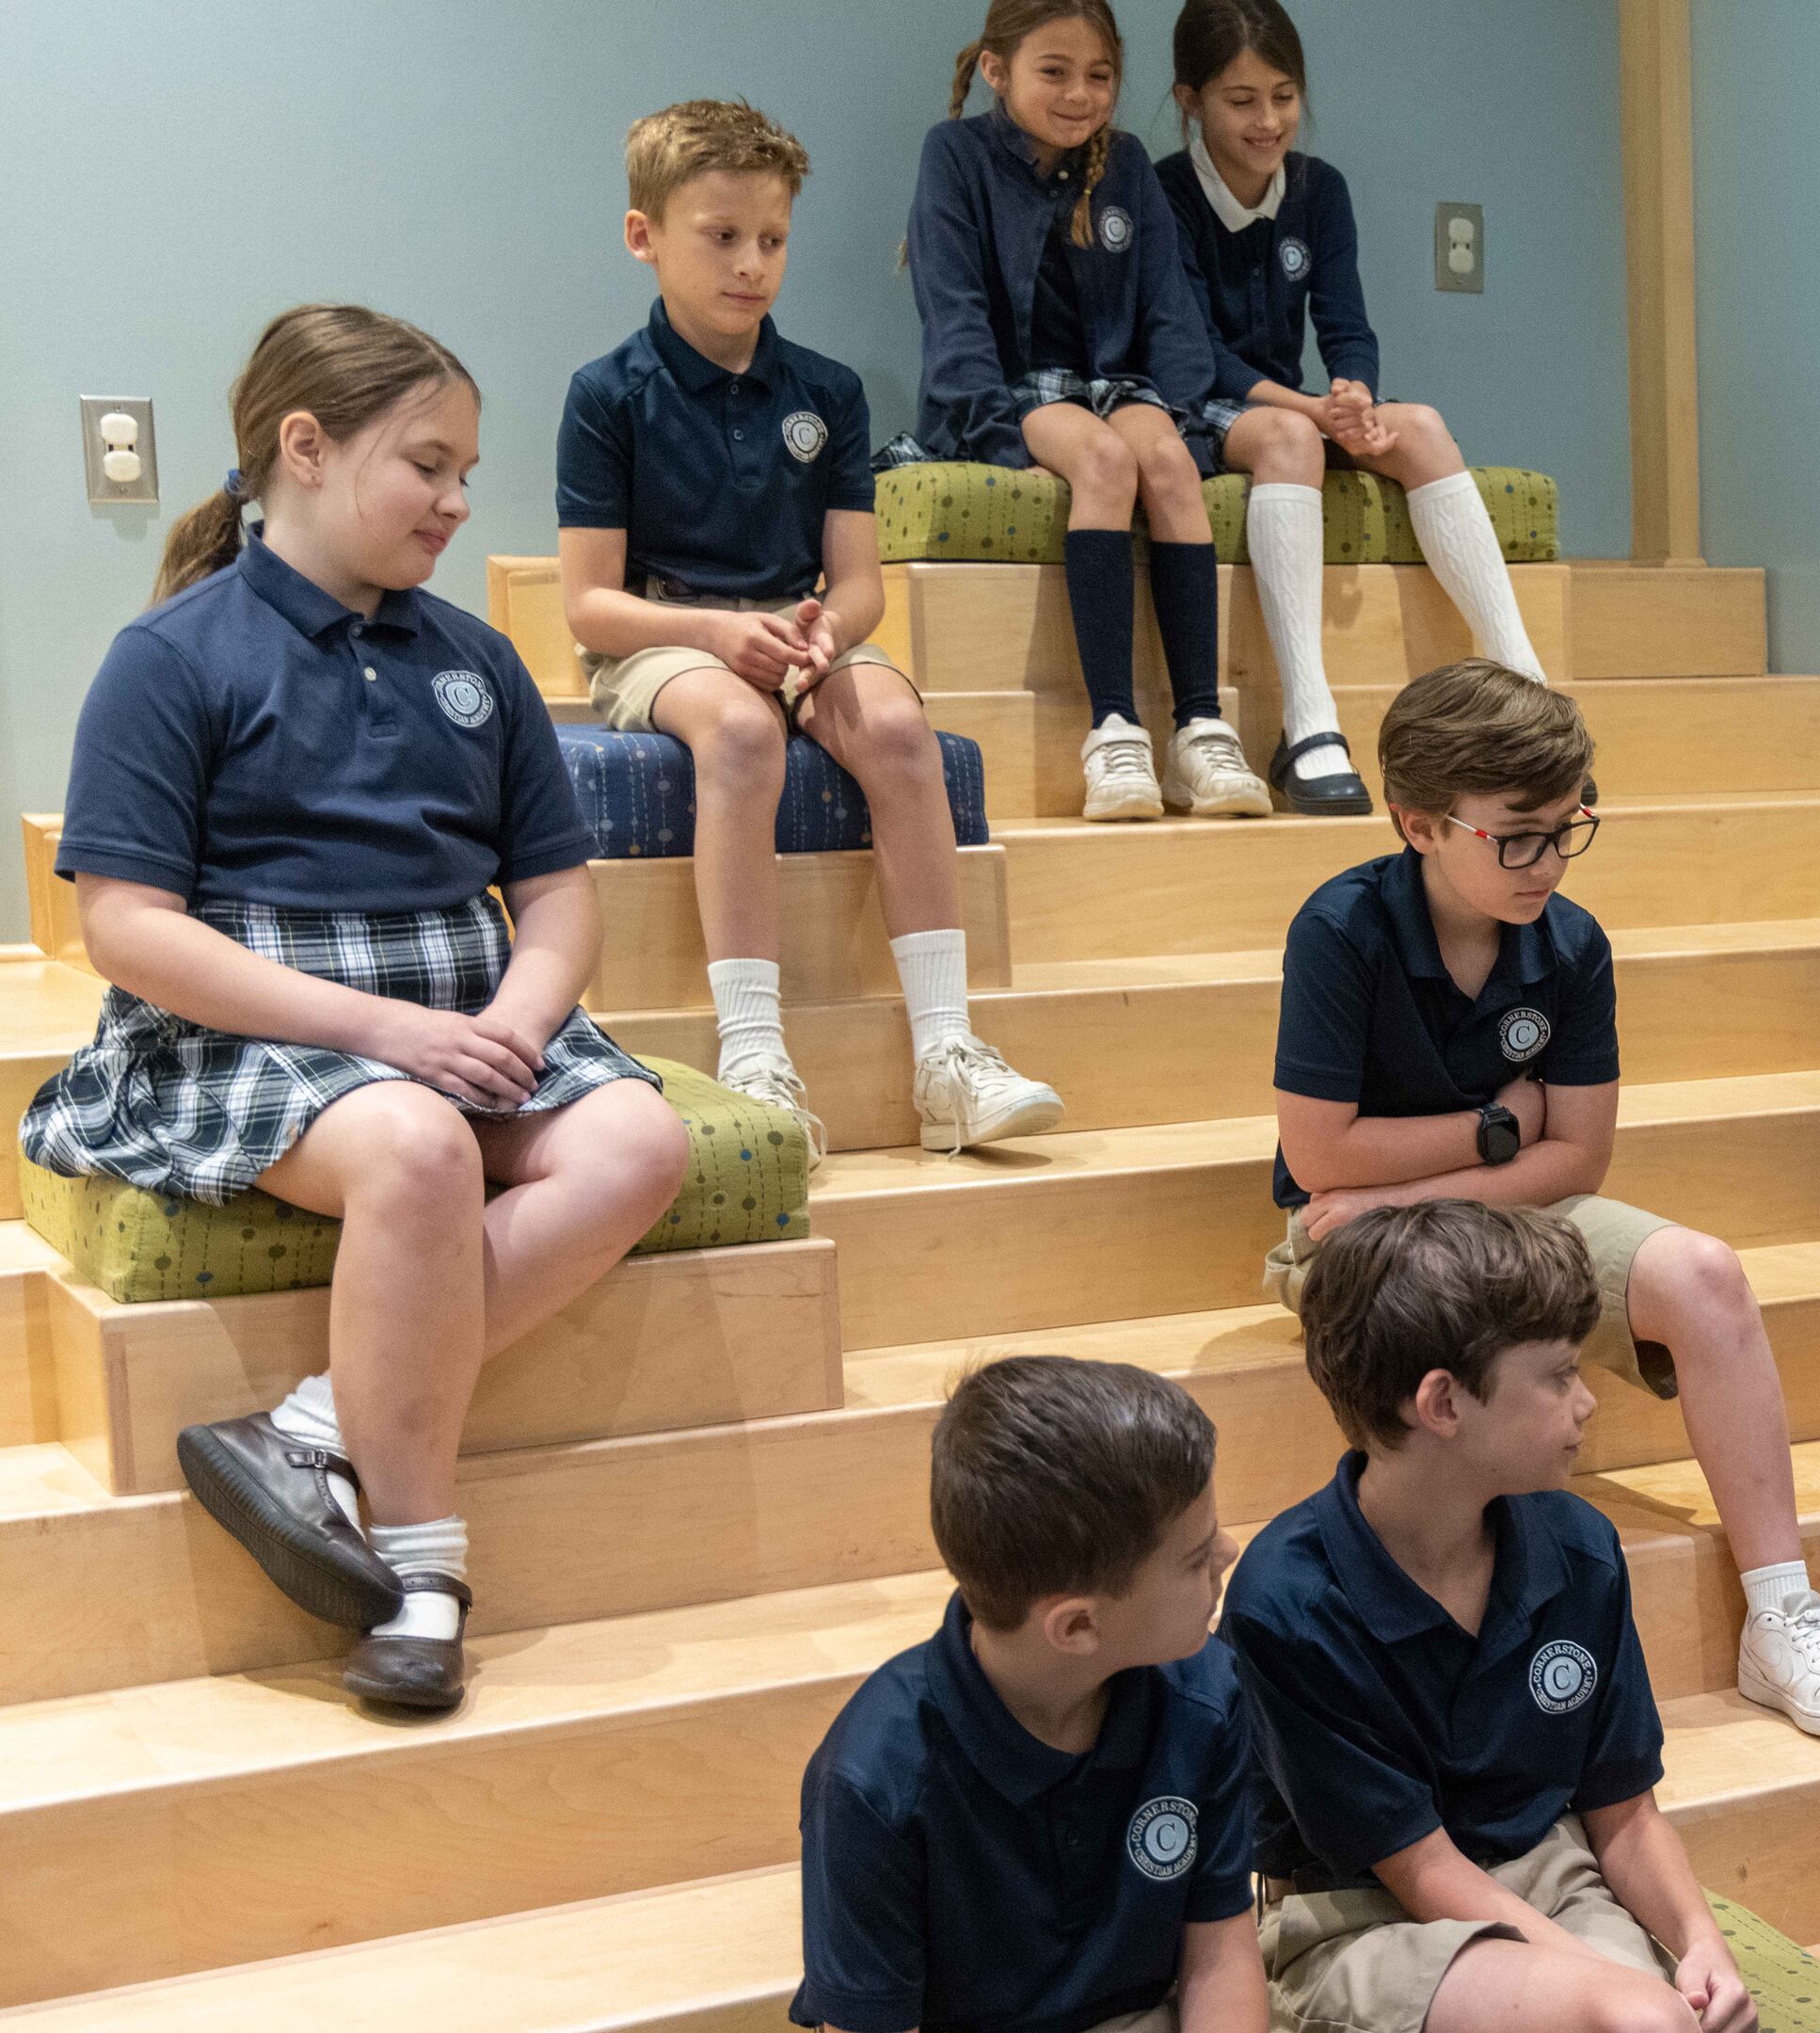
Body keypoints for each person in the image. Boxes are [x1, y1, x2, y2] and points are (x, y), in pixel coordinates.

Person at [31, 305, 693, 1712]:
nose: (458, 502)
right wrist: (382, 1034)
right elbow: (126, 929)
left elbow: (558, 896)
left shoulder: (477, 659)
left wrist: (525, 1015)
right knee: (416, 1146)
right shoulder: (173, 657)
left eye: (466, 473)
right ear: (307, 448)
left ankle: (312, 1425)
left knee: (641, 1142)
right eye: (427, 466)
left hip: (464, 1004)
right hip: (256, 1025)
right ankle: (424, 1567)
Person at [1266, 659, 1820, 1739]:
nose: (1550, 862)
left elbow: (1578, 1160)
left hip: (1457, 1206)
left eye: (1568, 828)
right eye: (1517, 837)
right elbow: (1321, 1150)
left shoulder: (1572, 943)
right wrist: (1496, 1126)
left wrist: (1420, 1181)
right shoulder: (1341, 929)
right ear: (1419, 825)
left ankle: (1781, 1613)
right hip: (1357, 1236)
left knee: (1703, 1275)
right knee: (1468, 1328)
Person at [558, 98, 1061, 1163]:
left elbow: (861, 583)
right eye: (722, 236)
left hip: (797, 633)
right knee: (741, 734)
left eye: (773, 239)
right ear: (645, 235)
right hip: (663, 638)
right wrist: (717, 634)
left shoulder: (827, 391)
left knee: (900, 728)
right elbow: (590, 606)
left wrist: (826, 631)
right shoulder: (606, 395)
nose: (752, 264)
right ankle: (755, 1053)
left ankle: (948, 1055)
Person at [1223, 1202, 1756, 2033]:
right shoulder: (1288, 1603)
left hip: (1549, 1877)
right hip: (1358, 1918)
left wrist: (1699, 1942)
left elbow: (1624, 1814)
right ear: (1442, 1403)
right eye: (1559, 1375)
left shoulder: (1579, 1548)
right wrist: (1609, 1991)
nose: (1587, 1402)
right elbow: (1419, 1870)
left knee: (1663, 2016)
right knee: (1631, 2018)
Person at [1155, 0, 1550, 819]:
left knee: (1424, 427)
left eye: (1284, 96)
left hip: (1299, 405)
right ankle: (1308, 724)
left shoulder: (1319, 189)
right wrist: (1312, 408)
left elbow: (1346, 324)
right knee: (1292, 440)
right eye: (1242, 101)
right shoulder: (1164, 193)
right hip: (1201, 405)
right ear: (1191, 100)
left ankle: (1531, 701)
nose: (1269, 121)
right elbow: (1196, 355)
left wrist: (1354, 393)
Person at [792, 1356, 1263, 2033]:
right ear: (1077, 1627)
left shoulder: (1205, 1694)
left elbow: (1220, 1958)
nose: (1229, 1551)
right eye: (1195, 1559)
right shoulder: (873, 1781)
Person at [904, 0, 1267, 823]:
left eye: (1099, 76)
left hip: (1114, 384)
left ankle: (1201, 728)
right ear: (997, 72)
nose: (1080, 94)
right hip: (1011, 390)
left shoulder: (1126, 162)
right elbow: (952, 311)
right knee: (1104, 461)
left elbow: (1170, 310)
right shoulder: (955, 155)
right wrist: (998, 439)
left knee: (1164, 460)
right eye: (1054, 72)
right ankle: (1114, 731)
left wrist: (1181, 418)